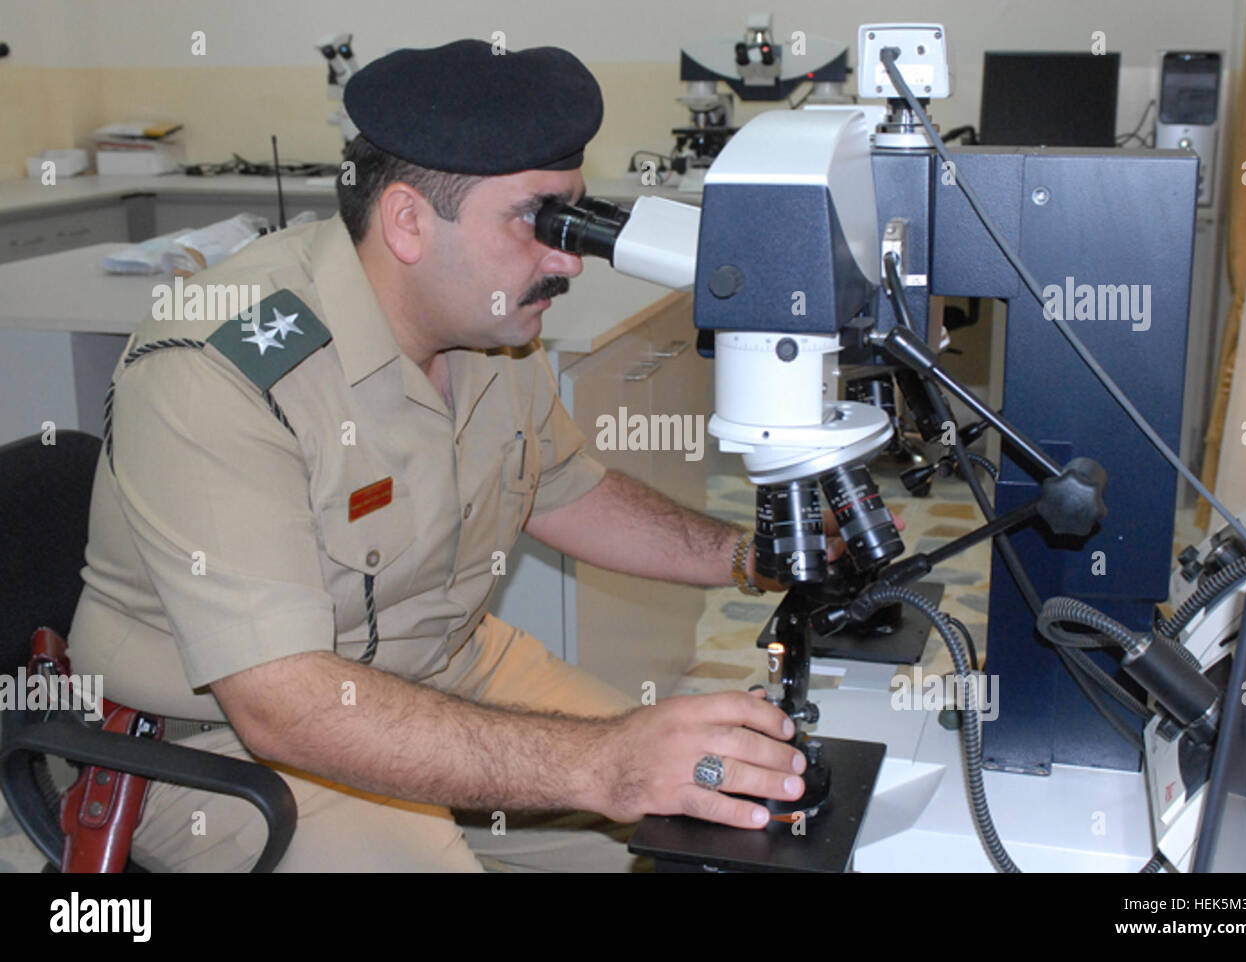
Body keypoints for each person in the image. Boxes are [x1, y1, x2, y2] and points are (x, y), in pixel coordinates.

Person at [66, 39, 836, 872]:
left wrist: (749, 556)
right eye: (538, 221)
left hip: (448, 668)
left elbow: (567, 492)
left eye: (575, 218)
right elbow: (282, 706)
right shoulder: (220, 373)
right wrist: (602, 765)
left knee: (704, 827)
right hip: (221, 746)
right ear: (407, 222)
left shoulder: (490, 330)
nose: (567, 258)